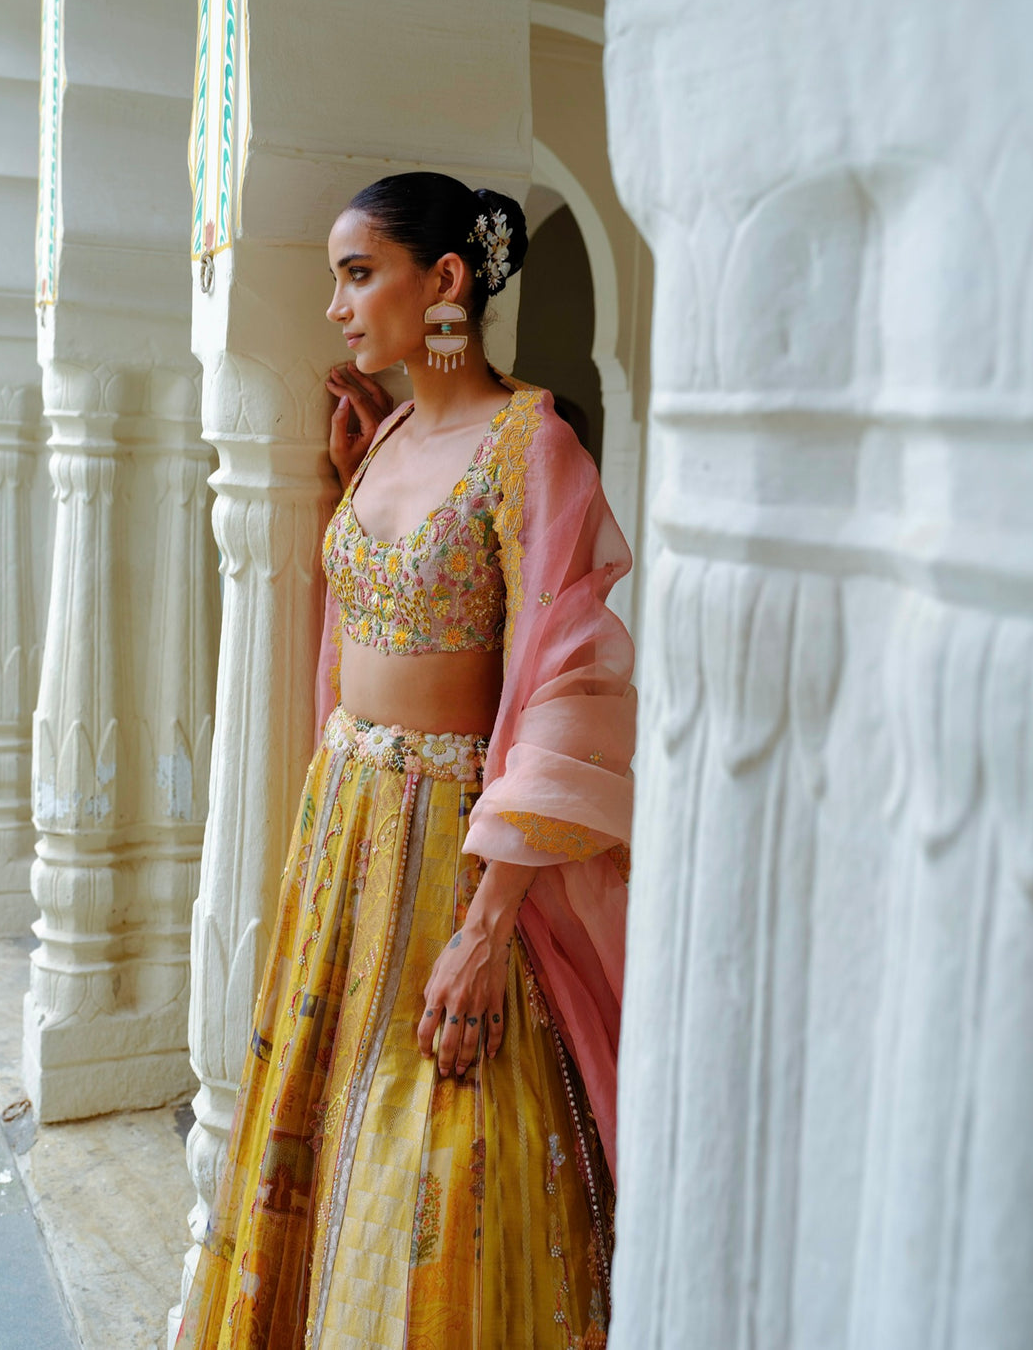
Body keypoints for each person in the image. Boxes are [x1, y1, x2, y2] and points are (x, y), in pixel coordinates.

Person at [177, 171, 636, 1350]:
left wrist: (488, 927)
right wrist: (345, 480)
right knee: (327, 1123)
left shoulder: (532, 444)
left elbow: (571, 691)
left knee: (442, 1148)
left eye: (355, 272)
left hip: (453, 853)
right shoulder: (382, 434)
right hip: (345, 832)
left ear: (443, 283)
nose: (335, 305)